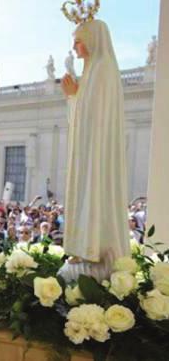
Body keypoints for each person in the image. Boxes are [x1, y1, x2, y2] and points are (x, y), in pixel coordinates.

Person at [59, 19, 130, 282]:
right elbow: (84, 113)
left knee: (94, 189)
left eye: (78, 40)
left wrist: (74, 97)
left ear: (92, 40)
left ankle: (94, 248)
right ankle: (82, 247)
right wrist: (74, 96)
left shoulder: (103, 69)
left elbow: (95, 116)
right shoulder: (91, 71)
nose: (74, 47)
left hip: (96, 152)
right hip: (88, 149)